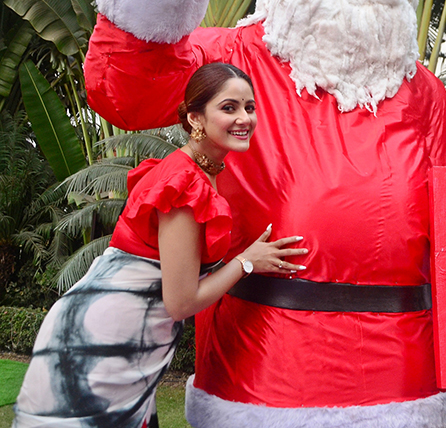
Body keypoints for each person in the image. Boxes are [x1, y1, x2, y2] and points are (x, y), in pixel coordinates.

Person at [83, 0, 446, 427]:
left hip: (406, 376)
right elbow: (127, 89)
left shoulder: (427, 96)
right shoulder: (235, 59)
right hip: (262, 372)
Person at [13, 62, 308, 428]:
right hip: (102, 340)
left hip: (125, 335)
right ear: (196, 117)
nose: (244, 118)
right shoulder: (183, 185)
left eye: (249, 107)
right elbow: (181, 302)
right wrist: (246, 262)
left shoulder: (200, 172)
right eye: (228, 107)